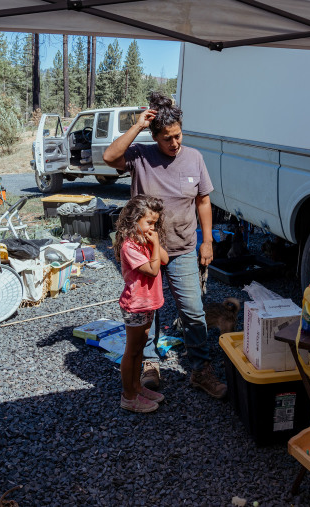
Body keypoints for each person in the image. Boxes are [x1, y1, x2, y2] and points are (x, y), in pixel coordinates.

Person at [103, 91, 228, 399]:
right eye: (167, 138)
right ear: (154, 135)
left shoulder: (194, 158)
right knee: (149, 311)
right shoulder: (141, 155)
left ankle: (200, 370)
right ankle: (149, 364)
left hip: (184, 247)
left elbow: (204, 201)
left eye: (178, 135)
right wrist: (137, 126)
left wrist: (207, 242)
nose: (175, 143)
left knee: (192, 311)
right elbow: (109, 157)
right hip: (145, 252)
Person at [113, 194, 169, 413]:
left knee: (139, 349)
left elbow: (164, 259)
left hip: (148, 304)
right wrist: (154, 244)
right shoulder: (130, 247)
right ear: (134, 220)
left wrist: (155, 242)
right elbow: (154, 269)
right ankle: (128, 396)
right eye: (149, 223)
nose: (152, 228)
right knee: (132, 351)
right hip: (135, 305)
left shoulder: (144, 241)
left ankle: (136, 386)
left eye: (155, 223)